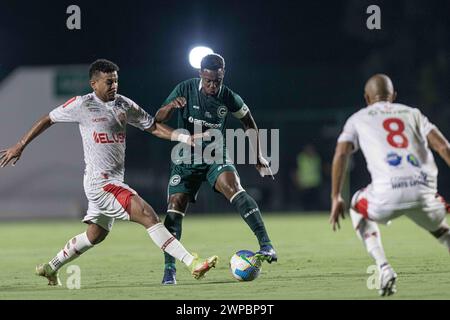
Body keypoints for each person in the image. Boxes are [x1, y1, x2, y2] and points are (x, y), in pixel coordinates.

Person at [0, 59, 218, 286]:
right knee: (147, 214)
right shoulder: (82, 105)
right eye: (108, 82)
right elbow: (48, 119)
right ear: (94, 83)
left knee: (96, 234)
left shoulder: (123, 104)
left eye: (116, 81)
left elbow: (152, 126)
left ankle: (51, 267)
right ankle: (191, 262)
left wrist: (184, 137)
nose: (114, 85)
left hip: (113, 180)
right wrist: (20, 145)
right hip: (101, 183)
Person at [155, 53, 277, 285]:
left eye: (218, 81)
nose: (213, 86)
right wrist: (171, 106)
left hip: (215, 154)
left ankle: (266, 245)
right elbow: (158, 119)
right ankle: (169, 270)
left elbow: (248, 121)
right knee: (174, 206)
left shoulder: (228, 96)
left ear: (223, 75)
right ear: (201, 74)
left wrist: (258, 155)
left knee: (234, 187)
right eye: (209, 80)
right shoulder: (185, 88)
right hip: (185, 157)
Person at [330, 74, 450, 296]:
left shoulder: (358, 118)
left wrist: (336, 196)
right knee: (440, 230)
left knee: (356, 205)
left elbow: (341, 153)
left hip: (386, 196)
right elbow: (443, 147)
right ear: (393, 96)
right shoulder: (412, 113)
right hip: (424, 191)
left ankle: (383, 267)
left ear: (367, 98)